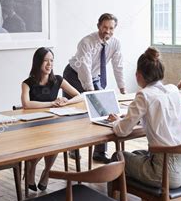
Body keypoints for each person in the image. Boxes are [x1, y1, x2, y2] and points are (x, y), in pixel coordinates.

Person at [108, 47, 181, 201]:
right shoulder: (172, 90)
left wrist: (116, 121)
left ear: (138, 74)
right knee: (140, 154)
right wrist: (135, 117)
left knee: (118, 157)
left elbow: (122, 131)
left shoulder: (144, 95)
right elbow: (161, 115)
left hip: (166, 172)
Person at [63, 13, 126, 163]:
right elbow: (84, 68)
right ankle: (73, 148)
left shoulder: (115, 43)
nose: (108, 31)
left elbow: (118, 66)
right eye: (105, 27)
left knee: (102, 110)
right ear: (98, 26)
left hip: (95, 75)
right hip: (74, 75)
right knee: (74, 112)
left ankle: (99, 152)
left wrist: (122, 87)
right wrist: (90, 91)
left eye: (111, 28)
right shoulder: (87, 42)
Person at [21, 47, 82, 191]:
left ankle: (47, 172)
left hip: (53, 124)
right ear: (37, 63)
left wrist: (66, 101)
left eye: (51, 61)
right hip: (33, 126)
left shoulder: (58, 80)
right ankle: (30, 171)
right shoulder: (27, 83)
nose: (49, 64)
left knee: (54, 143)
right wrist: (51, 103)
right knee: (41, 145)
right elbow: (26, 104)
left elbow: (79, 95)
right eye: (45, 61)